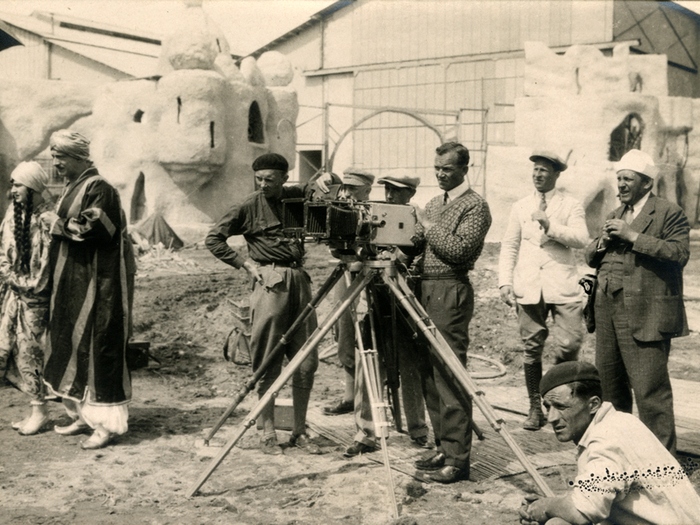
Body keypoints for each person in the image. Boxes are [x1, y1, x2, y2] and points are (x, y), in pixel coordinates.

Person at [206, 153, 322, 455]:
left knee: (306, 359)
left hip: (299, 280)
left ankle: (299, 430)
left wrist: (324, 188)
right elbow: (214, 239)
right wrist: (245, 264)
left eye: (270, 179)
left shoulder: (295, 199)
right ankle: (267, 431)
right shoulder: (248, 205)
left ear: (285, 178)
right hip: (269, 281)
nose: (263, 184)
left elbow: (320, 204)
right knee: (268, 356)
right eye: (259, 179)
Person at [585, 149, 689, 454]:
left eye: (628, 179)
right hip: (607, 310)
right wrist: (602, 242)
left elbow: (679, 254)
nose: (621, 185)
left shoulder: (669, 213)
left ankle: (662, 469)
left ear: (646, 183)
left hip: (646, 314)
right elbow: (590, 256)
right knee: (610, 389)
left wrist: (632, 236)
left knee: (650, 393)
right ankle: (618, 457)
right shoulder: (615, 214)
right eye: (619, 179)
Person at [519, 361, 700, 525]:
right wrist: (544, 506)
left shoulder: (606, 440)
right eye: (547, 407)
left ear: (593, 405)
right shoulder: (618, 422)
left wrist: (547, 506)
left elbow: (584, 511)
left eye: (561, 407)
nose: (551, 418)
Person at [42, 130, 134, 450]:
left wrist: (54, 224)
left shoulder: (101, 188)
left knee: (99, 348)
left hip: (101, 283)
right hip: (73, 281)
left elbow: (96, 228)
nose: (56, 164)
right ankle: (83, 415)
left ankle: (105, 426)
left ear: (80, 158)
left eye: (61, 158)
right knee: (71, 345)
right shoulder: (74, 187)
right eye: (54, 158)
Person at [412, 142, 492, 483]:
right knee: (428, 373)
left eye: (446, 169)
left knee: (449, 372)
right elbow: (416, 239)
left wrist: (427, 227)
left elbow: (459, 250)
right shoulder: (433, 203)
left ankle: (459, 459)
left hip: (450, 289)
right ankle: (444, 445)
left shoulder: (476, 206)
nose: (440, 174)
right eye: (437, 168)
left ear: (464, 169)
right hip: (422, 288)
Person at [499, 150, 589, 431]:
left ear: (557, 174)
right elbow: (510, 245)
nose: (538, 175)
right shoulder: (520, 206)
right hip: (528, 286)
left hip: (562, 286)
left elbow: (582, 239)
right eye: (535, 170)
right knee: (531, 347)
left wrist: (551, 227)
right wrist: (505, 281)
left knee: (570, 345)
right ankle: (535, 407)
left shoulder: (571, 205)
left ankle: (561, 401)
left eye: (544, 171)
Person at [375, 171, 430, 448]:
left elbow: (420, 252)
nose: (389, 195)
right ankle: (373, 427)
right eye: (387, 190)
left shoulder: (418, 217)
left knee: (409, 364)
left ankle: (417, 427)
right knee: (375, 360)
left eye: (396, 191)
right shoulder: (377, 211)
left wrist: (399, 257)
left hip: (405, 295)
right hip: (376, 294)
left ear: (410, 194)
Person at [0, 162, 52, 436]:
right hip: (14, 294)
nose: (13, 190)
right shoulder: (13, 214)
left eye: (18, 184)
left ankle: (42, 411)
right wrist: (7, 275)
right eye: (12, 183)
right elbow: (3, 250)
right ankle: (36, 408)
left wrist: (20, 283)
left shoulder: (46, 219)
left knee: (33, 355)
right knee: (15, 353)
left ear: (33, 187)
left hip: (36, 299)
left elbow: (44, 271)